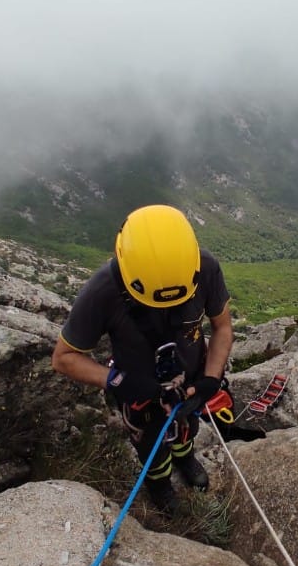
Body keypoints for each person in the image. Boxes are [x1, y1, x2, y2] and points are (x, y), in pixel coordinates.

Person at [52, 204, 233, 512]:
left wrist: (210, 379)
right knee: (150, 444)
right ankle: (159, 484)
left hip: (190, 380)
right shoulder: (103, 291)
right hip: (139, 392)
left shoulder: (204, 268)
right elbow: (63, 357)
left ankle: (185, 457)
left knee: (187, 425)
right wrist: (118, 381)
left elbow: (222, 327)